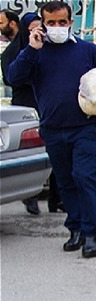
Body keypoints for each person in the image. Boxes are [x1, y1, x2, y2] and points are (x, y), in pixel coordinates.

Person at [5, 0, 96, 258]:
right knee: (65, 182)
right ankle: (74, 228)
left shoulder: (87, 51)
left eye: (62, 22)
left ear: (70, 22)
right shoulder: (36, 52)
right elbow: (13, 77)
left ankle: (90, 234)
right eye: (51, 23)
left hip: (84, 126)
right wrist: (31, 48)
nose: (57, 27)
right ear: (42, 23)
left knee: (84, 177)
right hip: (52, 128)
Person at [1, 9, 42, 215]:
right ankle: (31, 196)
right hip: (26, 106)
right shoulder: (12, 53)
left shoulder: (45, 49)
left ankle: (56, 198)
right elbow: (10, 77)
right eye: (32, 28)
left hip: (45, 104)